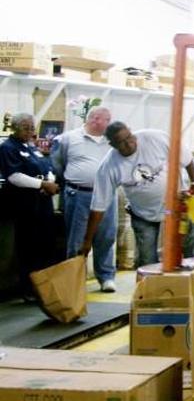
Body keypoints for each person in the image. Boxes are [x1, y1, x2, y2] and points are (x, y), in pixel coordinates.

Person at [79, 122, 194, 267]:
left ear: (131, 132)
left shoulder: (154, 138)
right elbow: (98, 206)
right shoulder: (109, 167)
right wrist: (87, 241)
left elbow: (186, 157)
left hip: (178, 205)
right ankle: (152, 288)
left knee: (193, 250)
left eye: (129, 138)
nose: (129, 144)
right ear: (112, 145)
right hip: (143, 214)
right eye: (122, 143)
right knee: (147, 260)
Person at [51, 106, 117, 292]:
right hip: (78, 194)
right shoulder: (68, 138)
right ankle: (74, 278)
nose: (97, 121)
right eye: (94, 117)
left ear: (108, 122)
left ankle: (106, 277)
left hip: (105, 195)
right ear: (87, 118)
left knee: (105, 237)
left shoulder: (112, 142)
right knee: (76, 239)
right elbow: (58, 164)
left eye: (102, 118)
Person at [0, 113, 60, 299]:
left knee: (46, 246)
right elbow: (14, 176)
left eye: (32, 128)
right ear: (15, 128)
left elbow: (46, 166)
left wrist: (50, 181)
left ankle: (44, 286)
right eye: (26, 128)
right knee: (28, 248)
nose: (30, 131)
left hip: (43, 205)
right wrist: (41, 185)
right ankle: (28, 288)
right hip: (25, 207)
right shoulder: (8, 148)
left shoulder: (32, 147)